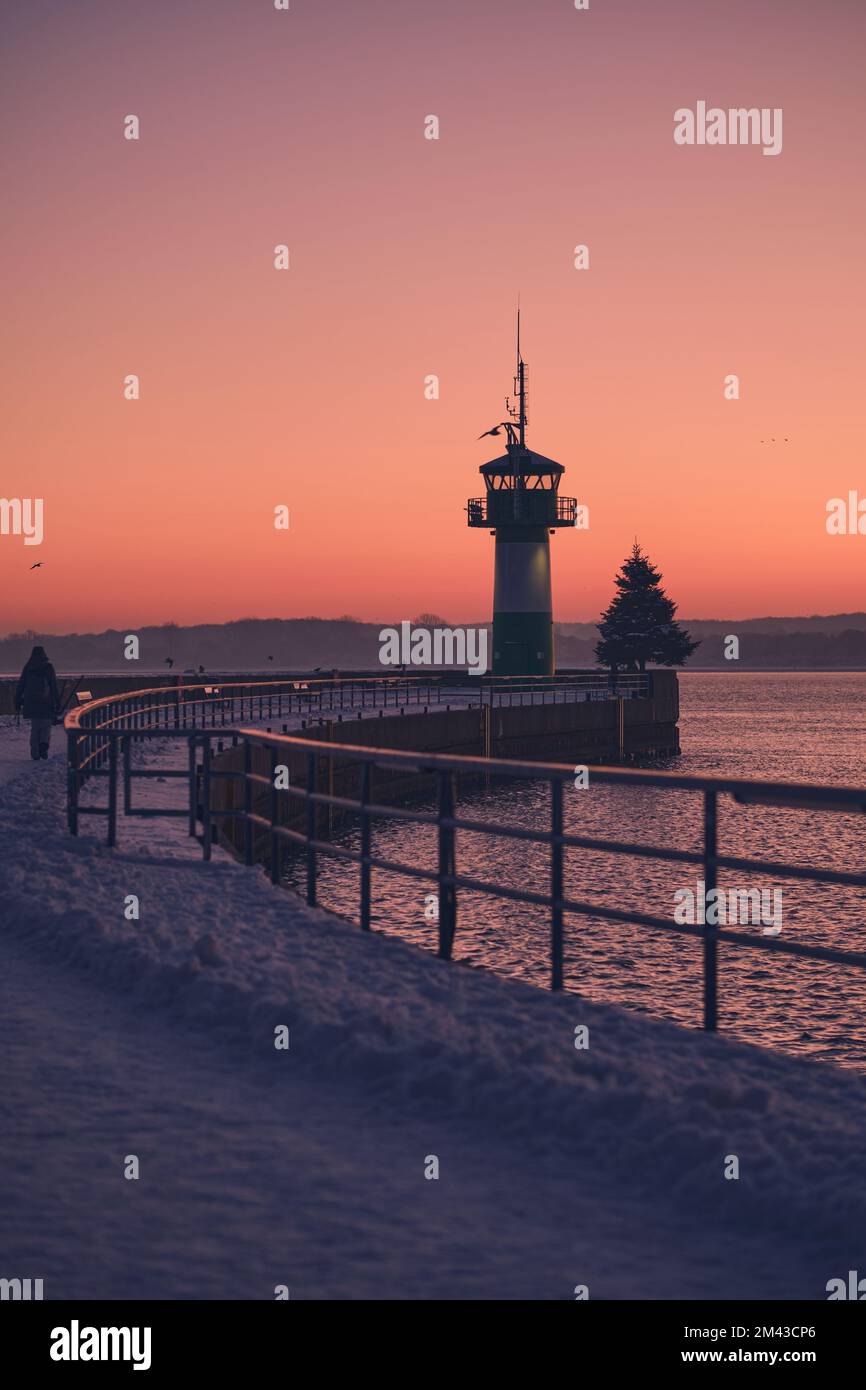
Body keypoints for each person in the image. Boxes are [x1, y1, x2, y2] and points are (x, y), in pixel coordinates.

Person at [14, 645, 60, 760]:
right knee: (46, 726)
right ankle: (43, 744)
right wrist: (57, 701)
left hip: (31, 703)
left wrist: (18, 699)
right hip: (46, 702)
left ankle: (35, 751)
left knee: (35, 727)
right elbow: (53, 685)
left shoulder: (28, 667)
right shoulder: (48, 667)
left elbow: (21, 685)